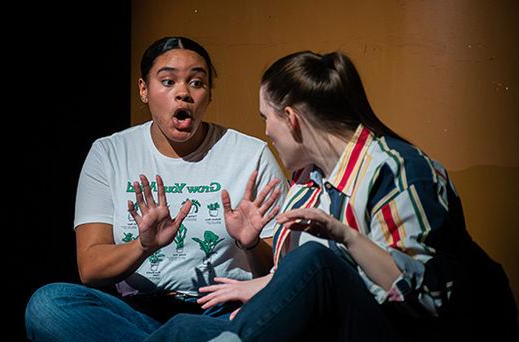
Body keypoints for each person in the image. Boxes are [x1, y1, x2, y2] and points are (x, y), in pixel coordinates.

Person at [145, 51, 518, 341]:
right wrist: (256, 265)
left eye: (266, 118)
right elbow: (296, 284)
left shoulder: (398, 169)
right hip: (320, 328)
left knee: (315, 260)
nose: (267, 133)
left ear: (291, 119)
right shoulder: (306, 180)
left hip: (401, 332)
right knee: (159, 324)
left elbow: (430, 296)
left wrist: (345, 237)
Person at [24, 36, 288, 341]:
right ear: (143, 90)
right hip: (136, 313)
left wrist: (250, 244)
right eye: (167, 81)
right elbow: (91, 268)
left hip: (220, 312)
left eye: (197, 82)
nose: (183, 93)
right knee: (48, 305)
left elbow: (282, 275)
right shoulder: (110, 153)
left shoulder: (250, 155)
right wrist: (144, 246)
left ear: (209, 94)